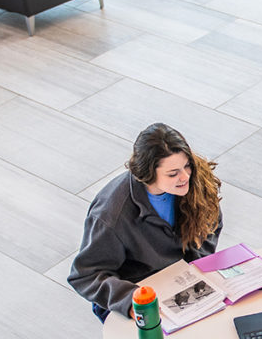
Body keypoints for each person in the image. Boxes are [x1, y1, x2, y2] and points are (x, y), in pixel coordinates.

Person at [68, 123, 222, 320]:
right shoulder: (111, 214)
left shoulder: (195, 180)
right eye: (173, 173)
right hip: (137, 295)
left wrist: (196, 265)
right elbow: (85, 275)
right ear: (147, 174)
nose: (185, 176)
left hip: (184, 282)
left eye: (187, 165)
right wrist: (128, 299)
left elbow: (211, 222)